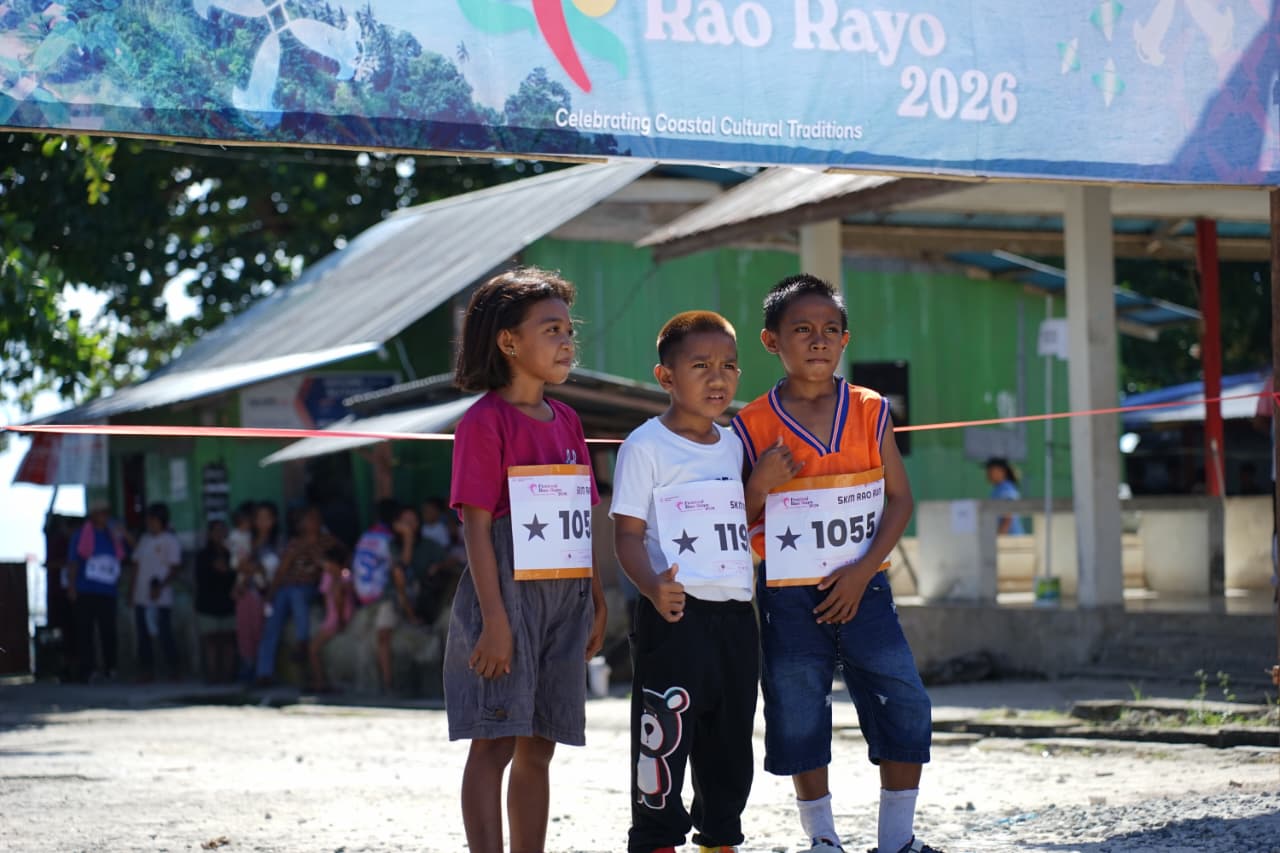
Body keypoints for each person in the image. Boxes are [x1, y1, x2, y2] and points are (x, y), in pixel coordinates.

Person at [731, 274, 939, 853]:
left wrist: (863, 568)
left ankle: (897, 840)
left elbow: (900, 499)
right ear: (771, 341)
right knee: (797, 707)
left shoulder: (870, 409)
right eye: (801, 329)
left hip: (865, 585)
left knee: (903, 700)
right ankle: (822, 839)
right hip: (787, 594)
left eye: (830, 329)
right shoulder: (750, 425)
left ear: (845, 340)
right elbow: (734, 516)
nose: (818, 339)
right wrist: (758, 483)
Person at [444, 267, 608, 853]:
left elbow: (581, 516)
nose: (567, 342)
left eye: (569, 329)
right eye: (551, 329)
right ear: (509, 341)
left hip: (567, 595)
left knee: (541, 743)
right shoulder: (483, 422)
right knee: (493, 741)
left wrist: (595, 598)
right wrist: (494, 620)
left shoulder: (569, 420)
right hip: (506, 597)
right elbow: (476, 526)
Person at [611, 311, 761, 853]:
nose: (718, 378)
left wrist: (762, 485)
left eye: (729, 365)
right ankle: (656, 841)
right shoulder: (645, 446)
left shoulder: (735, 444)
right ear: (666, 376)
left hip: (737, 616)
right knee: (665, 741)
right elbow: (626, 535)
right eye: (701, 366)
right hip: (675, 614)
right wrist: (653, 586)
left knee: (731, 743)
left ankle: (719, 839)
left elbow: (736, 519)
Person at [255, 505, 339, 685]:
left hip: (309, 587)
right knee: (272, 623)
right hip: (287, 587)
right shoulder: (295, 544)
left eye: (314, 518)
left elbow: (341, 559)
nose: (311, 523)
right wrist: (271, 594)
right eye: (307, 519)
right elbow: (282, 570)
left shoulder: (327, 542)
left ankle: (302, 642)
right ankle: (264, 672)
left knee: (297, 594)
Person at [68, 498, 130, 683]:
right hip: (86, 590)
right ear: (93, 515)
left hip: (107, 591)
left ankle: (111, 667)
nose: (104, 516)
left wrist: (123, 533)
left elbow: (131, 551)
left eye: (107, 513)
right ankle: (89, 670)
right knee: (85, 631)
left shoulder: (113, 535)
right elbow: (73, 562)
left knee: (108, 631)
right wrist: (72, 586)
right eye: (101, 513)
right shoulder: (81, 535)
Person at [353, 498, 405, 690]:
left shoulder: (366, 536)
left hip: (364, 596)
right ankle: (388, 683)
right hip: (383, 596)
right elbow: (400, 568)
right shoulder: (388, 540)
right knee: (384, 637)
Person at [129, 502, 183, 682]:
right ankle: (146, 671)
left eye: (152, 519)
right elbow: (136, 565)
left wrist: (160, 587)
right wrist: (132, 592)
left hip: (161, 597)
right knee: (143, 635)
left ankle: (174, 669)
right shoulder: (144, 540)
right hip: (141, 596)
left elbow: (175, 568)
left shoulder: (170, 540)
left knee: (165, 634)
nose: (149, 523)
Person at [232, 502, 277, 681]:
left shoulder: (277, 542)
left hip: (266, 594)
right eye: (258, 518)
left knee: (261, 631)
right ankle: (249, 668)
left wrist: (252, 568)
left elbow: (270, 569)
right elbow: (239, 565)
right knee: (245, 631)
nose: (261, 522)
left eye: (266, 518)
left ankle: (263, 669)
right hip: (246, 592)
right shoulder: (246, 540)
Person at [195, 519, 238, 683]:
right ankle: (212, 676)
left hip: (228, 604)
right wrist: (213, 568)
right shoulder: (203, 556)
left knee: (228, 641)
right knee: (211, 641)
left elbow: (237, 577)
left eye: (222, 530)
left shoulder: (232, 554)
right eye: (216, 531)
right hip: (208, 604)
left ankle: (228, 676)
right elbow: (200, 579)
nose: (219, 534)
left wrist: (227, 571)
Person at [308, 543, 353, 692]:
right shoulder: (327, 576)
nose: (324, 565)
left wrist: (340, 622)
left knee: (313, 649)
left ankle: (320, 682)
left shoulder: (344, 577)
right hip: (331, 617)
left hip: (337, 619)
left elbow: (340, 600)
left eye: (327, 562)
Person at [984, 458, 1026, 535]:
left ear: (1002, 471)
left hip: (1011, 539)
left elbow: (1008, 516)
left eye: (991, 470)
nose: (987, 473)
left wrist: (1000, 536)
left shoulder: (1006, 488)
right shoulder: (998, 489)